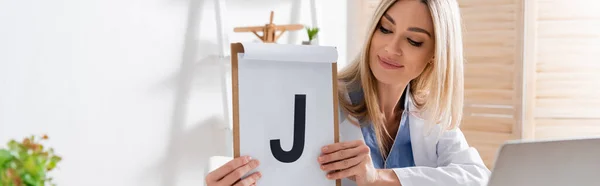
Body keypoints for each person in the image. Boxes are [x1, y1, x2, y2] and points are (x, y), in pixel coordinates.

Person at [204, 0, 491, 185]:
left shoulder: (431, 116)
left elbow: (479, 178)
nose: (391, 48)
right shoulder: (321, 100)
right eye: (385, 29)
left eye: (414, 41)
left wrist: (378, 178)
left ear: (435, 55)